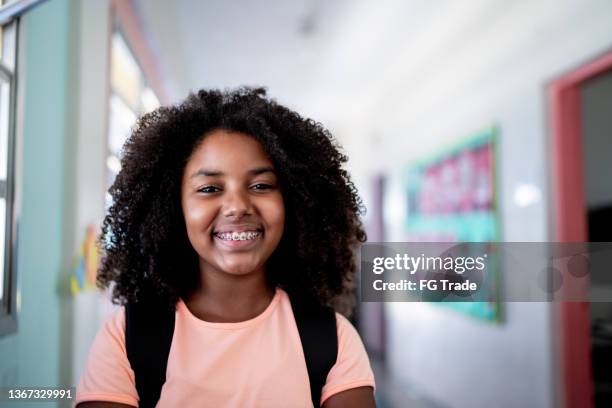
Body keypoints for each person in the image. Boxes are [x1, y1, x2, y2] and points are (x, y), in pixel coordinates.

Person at [75, 88, 376, 408]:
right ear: (172, 208)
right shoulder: (127, 337)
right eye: (209, 188)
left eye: (261, 185)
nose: (237, 206)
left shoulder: (332, 339)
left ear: (294, 202)